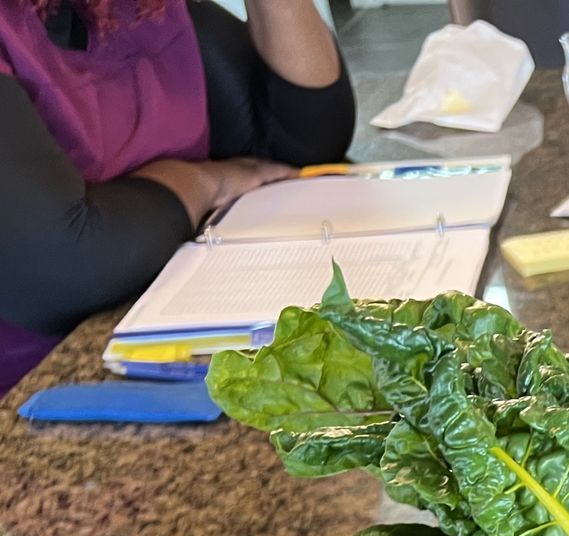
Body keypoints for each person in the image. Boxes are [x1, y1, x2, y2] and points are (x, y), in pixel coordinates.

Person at [0, 0, 355, 392]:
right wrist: (205, 181)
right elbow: (68, 261)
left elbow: (304, 139)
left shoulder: (133, 9)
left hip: (159, 345)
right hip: (36, 397)